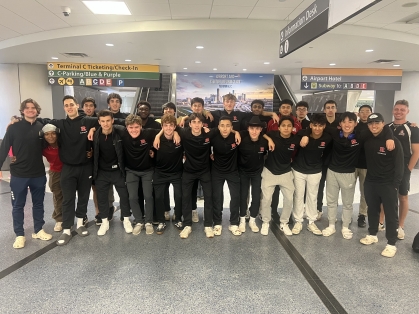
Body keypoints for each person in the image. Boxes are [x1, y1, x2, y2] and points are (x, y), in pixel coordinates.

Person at [306, 112, 394, 240]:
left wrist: (390, 137)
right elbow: (314, 127)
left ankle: (345, 227)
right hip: (332, 172)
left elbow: (381, 127)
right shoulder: (334, 133)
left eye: (350, 122)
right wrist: (304, 135)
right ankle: (331, 225)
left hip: (348, 173)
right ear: (340, 124)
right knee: (331, 201)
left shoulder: (360, 135)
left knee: (347, 203)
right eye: (344, 122)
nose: (347, 124)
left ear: (355, 124)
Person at [41, 95, 98, 246]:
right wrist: (15, 121)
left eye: (71, 104)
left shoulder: (88, 121)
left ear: (77, 105)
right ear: (64, 108)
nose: (69, 107)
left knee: (84, 197)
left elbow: (108, 121)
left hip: (85, 167)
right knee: (68, 199)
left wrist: (93, 128)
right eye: (66, 105)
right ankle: (67, 229)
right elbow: (41, 122)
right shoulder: (59, 124)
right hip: (67, 168)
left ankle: (80, 223)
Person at [154, 113, 218, 239]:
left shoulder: (208, 133)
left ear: (203, 124)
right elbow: (170, 127)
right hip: (188, 171)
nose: (196, 125)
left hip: (205, 171)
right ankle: (187, 224)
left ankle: (208, 225)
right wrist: (158, 135)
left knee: (209, 197)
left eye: (199, 122)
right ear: (190, 124)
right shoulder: (184, 133)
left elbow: (224, 130)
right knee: (186, 197)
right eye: (193, 122)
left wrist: (235, 133)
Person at [0, 99, 52, 249]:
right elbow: (4, 149)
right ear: (22, 111)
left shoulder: (42, 128)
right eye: (27, 108)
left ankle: (38, 230)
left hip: (38, 174)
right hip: (19, 175)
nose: (30, 110)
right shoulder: (13, 128)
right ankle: (19, 235)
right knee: (18, 205)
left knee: (38, 204)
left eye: (33, 108)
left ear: (37, 110)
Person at [360, 113, 404, 258]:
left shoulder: (392, 142)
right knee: (372, 210)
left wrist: (395, 185)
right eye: (371, 123)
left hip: (388, 183)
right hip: (371, 182)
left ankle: (391, 243)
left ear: (383, 124)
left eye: (377, 123)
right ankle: (372, 234)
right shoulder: (367, 139)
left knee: (391, 214)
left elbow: (399, 165)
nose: (374, 126)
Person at [113, 114, 161, 235]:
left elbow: (166, 129)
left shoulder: (148, 133)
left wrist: (158, 136)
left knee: (148, 196)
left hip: (147, 171)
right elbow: (107, 124)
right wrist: (92, 129)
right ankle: (139, 221)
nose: (133, 130)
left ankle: (149, 221)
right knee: (133, 197)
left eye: (136, 127)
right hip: (131, 171)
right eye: (131, 127)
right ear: (126, 127)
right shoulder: (122, 132)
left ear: (141, 126)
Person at [92, 110, 132, 236]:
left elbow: (129, 126)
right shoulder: (95, 135)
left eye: (108, 120)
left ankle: (126, 219)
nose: (105, 123)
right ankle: (104, 222)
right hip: (102, 172)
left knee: (124, 196)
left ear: (112, 121)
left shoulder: (120, 132)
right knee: (102, 198)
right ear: (99, 122)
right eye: (102, 121)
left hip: (118, 171)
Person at [292, 114, 332, 236]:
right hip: (299, 169)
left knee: (312, 196)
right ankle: (298, 221)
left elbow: (327, 153)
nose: (317, 128)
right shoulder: (301, 134)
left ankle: (311, 222)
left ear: (324, 126)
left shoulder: (327, 138)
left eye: (320, 126)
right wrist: (304, 135)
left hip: (315, 171)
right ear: (311, 125)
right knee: (298, 196)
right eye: (315, 125)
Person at [260, 117, 299, 236]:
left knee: (289, 199)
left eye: (288, 126)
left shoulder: (295, 139)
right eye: (283, 125)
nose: (286, 128)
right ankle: (265, 221)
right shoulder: (273, 134)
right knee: (266, 199)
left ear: (292, 128)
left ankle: (284, 223)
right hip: (270, 171)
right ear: (279, 127)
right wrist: (269, 140)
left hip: (286, 172)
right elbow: (262, 134)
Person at [81, 96, 116, 225]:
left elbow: (113, 125)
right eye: (86, 105)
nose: (89, 108)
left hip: (100, 161)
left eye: (91, 105)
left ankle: (101, 212)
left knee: (101, 188)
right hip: (84, 161)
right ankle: (84, 214)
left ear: (94, 107)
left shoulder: (99, 120)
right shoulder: (80, 119)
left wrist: (94, 128)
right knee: (85, 189)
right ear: (82, 107)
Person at [387, 100, 419, 239]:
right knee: (385, 196)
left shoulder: (413, 129)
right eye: (396, 109)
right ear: (393, 110)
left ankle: (400, 226)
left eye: (402, 110)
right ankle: (381, 222)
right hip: (387, 168)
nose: (399, 112)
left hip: (403, 169)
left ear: (407, 111)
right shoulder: (386, 127)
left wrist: (409, 169)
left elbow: (416, 151)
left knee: (403, 196)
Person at [152, 114, 183, 235]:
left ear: (175, 126)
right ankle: (161, 221)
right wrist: (158, 135)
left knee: (179, 196)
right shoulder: (156, 138)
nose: (169, 128)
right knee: (159, 197)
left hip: (177, 172)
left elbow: (184, 128)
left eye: (171, 126)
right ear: (162, 126)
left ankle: (178, 218)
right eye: (166, 126)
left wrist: (176, 133)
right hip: (160, 173)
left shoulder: (180, 138)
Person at [211, 116, 242, 236]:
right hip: (217, 171)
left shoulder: (236, 137)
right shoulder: (213, 137)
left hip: (232, 171)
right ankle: (217, 222)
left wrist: (237, 132)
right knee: (217, 197)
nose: (225, 128)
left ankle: (234, 223)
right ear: (218, 127)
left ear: (232, 127)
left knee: (235, 197)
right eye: (222, 125)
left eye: (228, 125)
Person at [238, 116, 269, 233]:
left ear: (261, 129)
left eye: (257, 128)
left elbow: (266, 154)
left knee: (256, 197)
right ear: (248, 129)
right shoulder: (242, 140)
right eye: (252, 128)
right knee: (243, 196)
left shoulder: (264, 141)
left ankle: (252, 220)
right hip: (243, 172)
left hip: (257, 173)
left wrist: (269, 140)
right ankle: (242, 220)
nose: (254, 131)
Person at [316, 100, 340, 220]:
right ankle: (318, 209)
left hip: (335, 161)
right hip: (321, 160)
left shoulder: (340, 123)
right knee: (319, 186)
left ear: (336, 109)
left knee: (333, 189)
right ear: (324, 110)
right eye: (328, 108)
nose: (330, 110)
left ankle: (332, 213)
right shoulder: (320, 123)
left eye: (333, 107)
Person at [41, 124, 64, 232]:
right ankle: (59, 219)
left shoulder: (64, 144)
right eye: (47, 134)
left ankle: (69, 216)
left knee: (69, 195)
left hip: (68, 170)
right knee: (57, 195)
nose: (50, 136)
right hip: (55, 172)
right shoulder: (43, 147)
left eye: (53, 133)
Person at [354, 104, 372, 228]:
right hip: (352, 164)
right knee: (348, 190)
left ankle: (362, 215)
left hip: (367, 165)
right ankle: (347, 213)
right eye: (362, 111)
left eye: (367, 111)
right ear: (358, 113)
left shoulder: (374, 127)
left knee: (364, 192)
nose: (365, 113)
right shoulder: (354, 126)